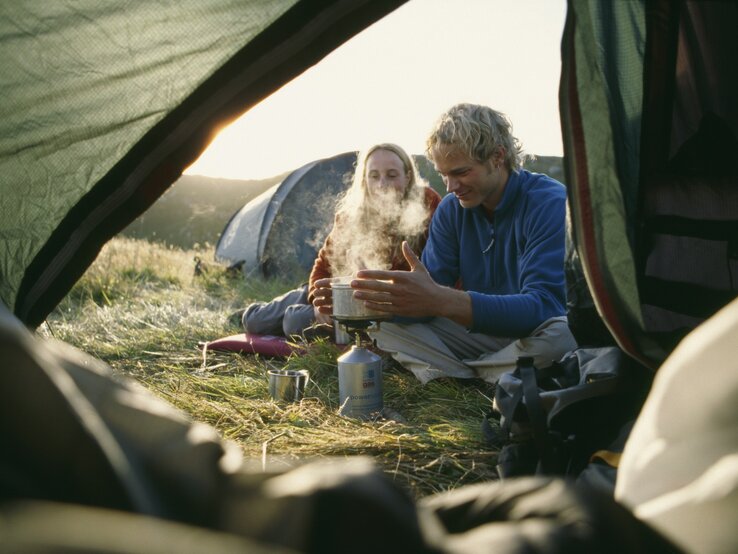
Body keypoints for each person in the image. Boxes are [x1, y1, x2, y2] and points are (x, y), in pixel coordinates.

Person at [345, 104, 578, 383]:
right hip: (477, 334)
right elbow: (425, 301)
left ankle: (459, 374)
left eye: (461, 172)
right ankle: (492, 374)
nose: (451, 187)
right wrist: (368, 300)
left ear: (497, 157)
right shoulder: (452, 210)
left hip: (531, 333)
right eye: (443, 175)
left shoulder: (548, 203)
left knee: (563, 335)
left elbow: (544, 306)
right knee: (382, 328)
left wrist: (442, 301)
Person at [240, 143, 441, 339]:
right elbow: (323, 265)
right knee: (255, 321)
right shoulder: (352, 214)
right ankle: (250, 313)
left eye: (392, 175)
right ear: (365, 180)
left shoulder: (428, 206)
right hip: (338, 291)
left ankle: (301, 318)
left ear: (407, 177)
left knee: (294, 321)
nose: (382, 185)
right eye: (374, 176)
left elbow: (436, 274)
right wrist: (318, 304)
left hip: (373, 307)